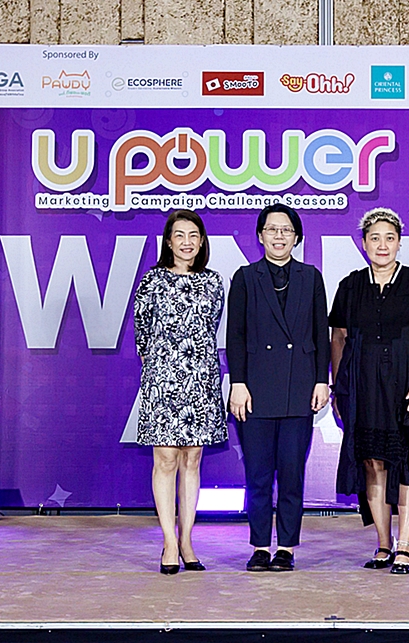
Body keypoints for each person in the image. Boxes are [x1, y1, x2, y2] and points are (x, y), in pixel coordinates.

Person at [330, 208, 409, 575]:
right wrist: (340, 388)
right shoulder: (350, 286)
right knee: (373, 462)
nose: (382, 245)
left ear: (399, 242)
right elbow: (339, 338)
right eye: (375, 238)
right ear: (363, 243)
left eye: (390, 238)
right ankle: (383, 544)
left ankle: (405, 544)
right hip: (363, 387)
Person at [226, 204, 331, 572]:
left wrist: (322, 379)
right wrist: (238, 383)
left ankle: (285, 547)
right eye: (272, 229)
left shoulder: (310, 277)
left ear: (296, 237)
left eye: (286, 230)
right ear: (260, 236)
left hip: (299, 389)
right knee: (257, 475)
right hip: (255, 391)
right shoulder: (245, 277)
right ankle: (259, 546)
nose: (279, 236)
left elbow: (321, 333)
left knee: (291, 473)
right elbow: (235, 335)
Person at [133, 209, 226, 575]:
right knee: (166, 460)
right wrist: (162, 366)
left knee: (192, 460)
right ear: (168, 242)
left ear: (201, 242)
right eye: (179, 235)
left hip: (200, 378)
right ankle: (169, 543)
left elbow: (210, 328)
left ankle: (187, 541)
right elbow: (142, 333)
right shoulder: (152, 280)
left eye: (193, 235)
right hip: (163, 379)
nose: (187, 242)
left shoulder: (213, 282)